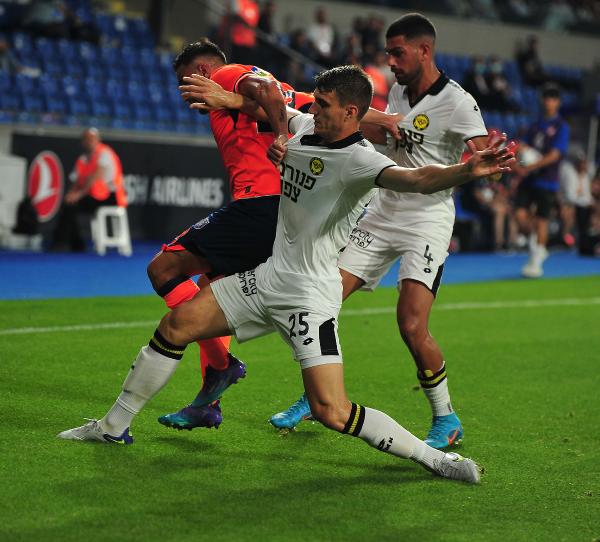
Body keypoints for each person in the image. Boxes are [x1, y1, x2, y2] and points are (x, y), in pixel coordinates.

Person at [58, 65, 515, 485]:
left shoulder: (362, 160)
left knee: (332, 410)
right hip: (267, 277)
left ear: (351, 112)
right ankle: (112, 427)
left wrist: (467, 170)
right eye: (313, 101)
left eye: (323, 105)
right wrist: (231, 98)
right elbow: (272, 99)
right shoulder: (303, 128)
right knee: (175, 326)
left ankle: (435, 459)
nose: (312, 111)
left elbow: (418, 180)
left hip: (310, 297)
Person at [270, 13, 496, 450]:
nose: (390, 60)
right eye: (389, 52)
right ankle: (318, 394)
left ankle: (446, 417)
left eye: (398, 52)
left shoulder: (458, 102)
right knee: (321, 300)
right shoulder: (397, 91)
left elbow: (481, 157)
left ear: (424, 51)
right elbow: (380, 128)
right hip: (381, 210)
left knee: (411, 324)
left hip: (426, 219)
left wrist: (488, 165)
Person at [146, 39, 313, 432]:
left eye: (185, 82)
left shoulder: (226, 75)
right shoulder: (278, 87)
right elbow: (311, 107)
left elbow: (265, 93)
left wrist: (281, 136)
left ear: (202, 72)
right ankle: (209, 402)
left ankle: (222, 367)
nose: (184, 93)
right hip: (288, 209)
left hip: (260, 206)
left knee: (163, 269)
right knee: (209, 290)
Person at [514, 83, 569, 278]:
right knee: (520, 215)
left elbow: (555, 155)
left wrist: (530, 166)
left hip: (547, 180)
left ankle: (536, 262)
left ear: (558, 103)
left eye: (553, 99)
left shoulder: (561, 126)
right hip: (529, 179)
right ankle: (535, 246)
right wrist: (521, 152)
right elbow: (524, 145)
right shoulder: (535, 124)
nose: (549, 102)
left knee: (542, 221)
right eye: (546, 98)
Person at [50, 128, 126, 252]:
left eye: (92, 139)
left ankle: (63, 243)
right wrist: (71, 194)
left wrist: (78, 195)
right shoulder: (83, 158)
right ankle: (74, 244)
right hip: (92, 196)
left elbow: (95, 177)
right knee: (69, 204)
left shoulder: (105, 153)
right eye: (86, 139)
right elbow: (75, 180)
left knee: (73, 204)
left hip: (110, 196)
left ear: (98, 140)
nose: (89, 142)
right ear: (82, 142)